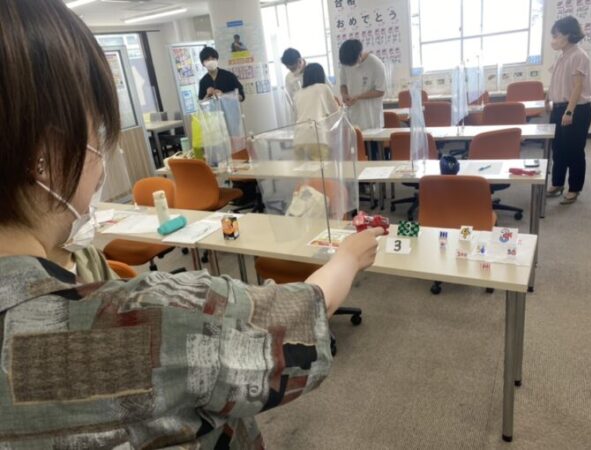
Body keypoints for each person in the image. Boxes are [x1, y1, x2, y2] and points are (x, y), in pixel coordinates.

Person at [0, 2, 383, 448]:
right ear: (45, 155)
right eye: (97, 133)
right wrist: (348, 258)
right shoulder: (152, 319)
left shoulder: (71, 265)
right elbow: (290, 322)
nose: (103, 157)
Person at [545, 16, 591, 204]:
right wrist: (548, 98)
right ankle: (557, 183)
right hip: (558, 108)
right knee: (558, 149)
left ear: (568, 35)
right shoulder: (562, 56)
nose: (553, 40)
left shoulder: (579, 55)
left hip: (576, 109)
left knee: (574, 150)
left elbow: (578, 87)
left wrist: (569, 111)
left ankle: (574, 188)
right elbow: (555, 81)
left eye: (556, 35)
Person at [338, 39, 386, 159]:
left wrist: (358, 97)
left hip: (371, 118)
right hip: (354, 116)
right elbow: (343, 84)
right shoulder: (346, 63)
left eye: (352, 63)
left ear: (360, 54)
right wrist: (344, 95)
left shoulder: (376, 64)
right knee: (358, 155)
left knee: (374, 154)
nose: (350, 66)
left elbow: (380, 91)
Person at [293, 63, 340, 160]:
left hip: (299, 138)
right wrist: (339, 105)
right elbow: (335, 112)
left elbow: (297, 116)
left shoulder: (297, 94)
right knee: (322, 169)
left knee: (302, 169)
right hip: (317, 138)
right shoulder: (323, 88)